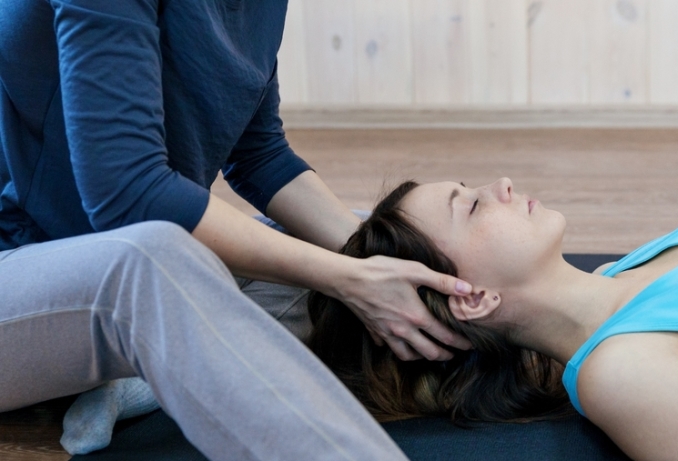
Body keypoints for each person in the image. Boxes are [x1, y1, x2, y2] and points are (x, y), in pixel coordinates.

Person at [0, 0, 473, 460]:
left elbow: (260, 152)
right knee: (153, 260)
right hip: (24, 264)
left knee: (338, 238)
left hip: (100, 262)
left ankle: (141, 376)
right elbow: (128, 194)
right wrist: (347, 278)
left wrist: (373, 258)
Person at [308, 178, 678, 460]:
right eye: (469, 205)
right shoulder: (623, 376)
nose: (501, 185)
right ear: (472, 297)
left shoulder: (626, 271)